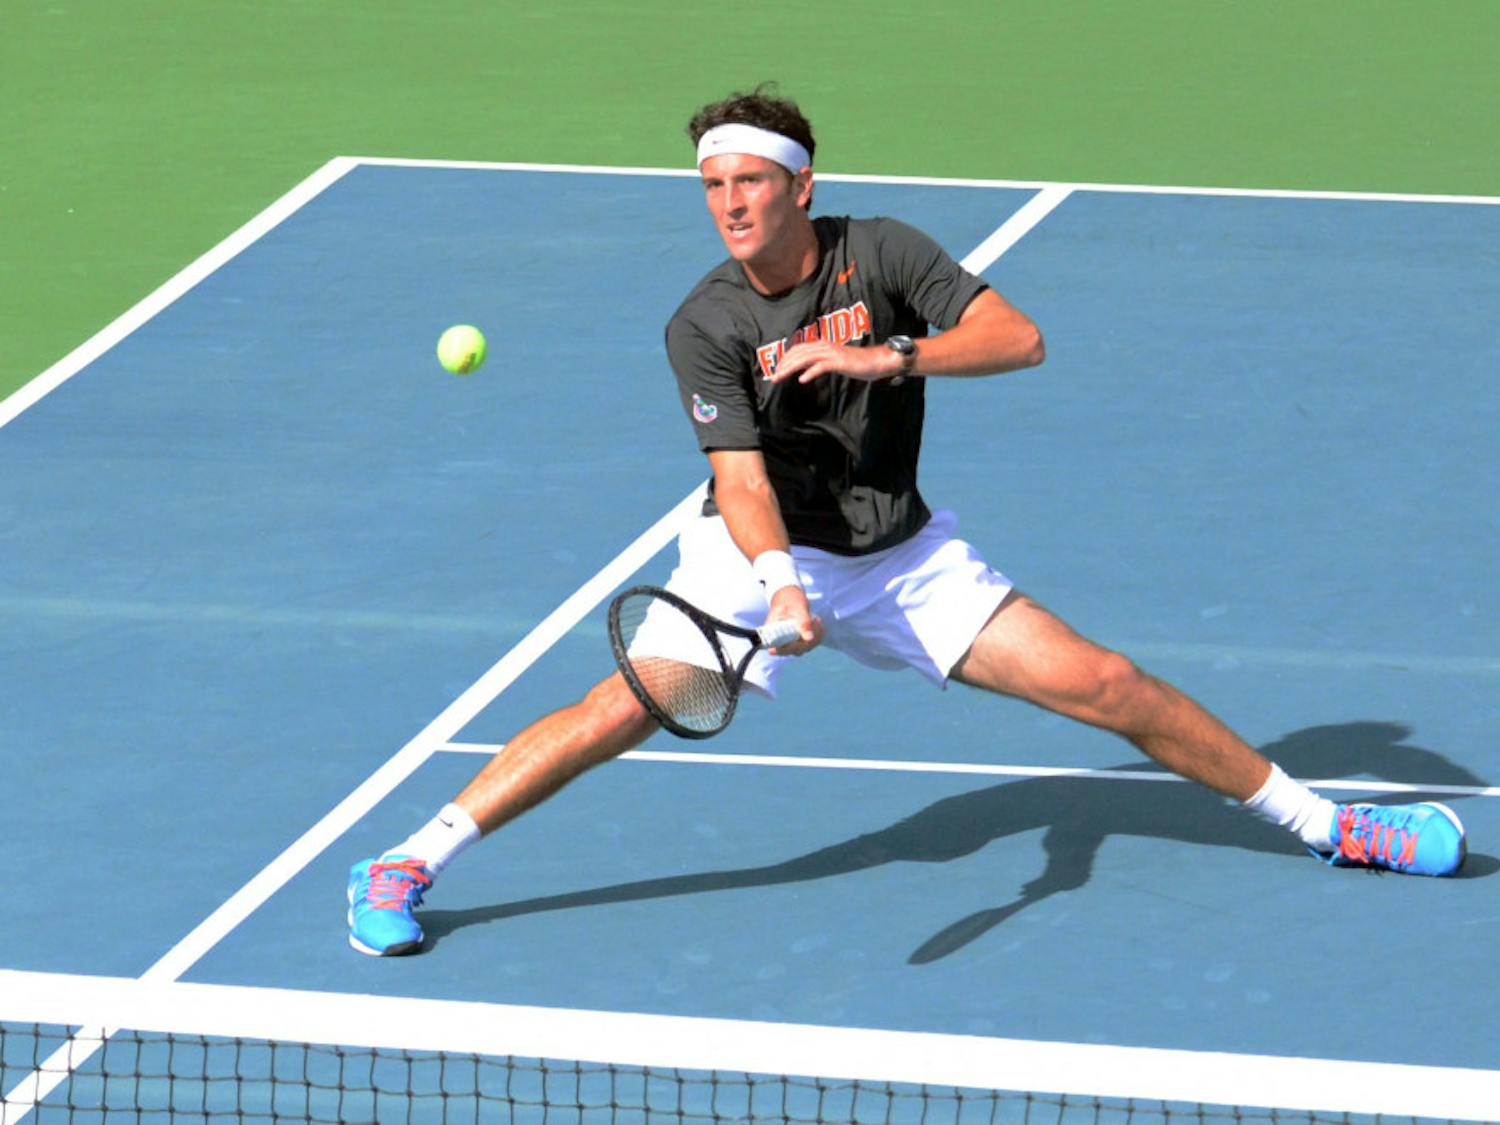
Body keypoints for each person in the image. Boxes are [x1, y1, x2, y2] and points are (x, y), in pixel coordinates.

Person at [346, 86, 1467, 957]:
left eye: (748, 181)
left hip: (901, 561)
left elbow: (1020, 338)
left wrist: (884, 354)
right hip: (753, 563)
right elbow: (739, 480)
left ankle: (1336, 827)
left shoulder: (881, 253)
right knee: (624, 710)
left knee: (1109, 684)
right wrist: (781, 585)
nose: (729, 203)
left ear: (800, 184)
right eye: (709, 186)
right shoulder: (705, 322)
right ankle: (404, 864)